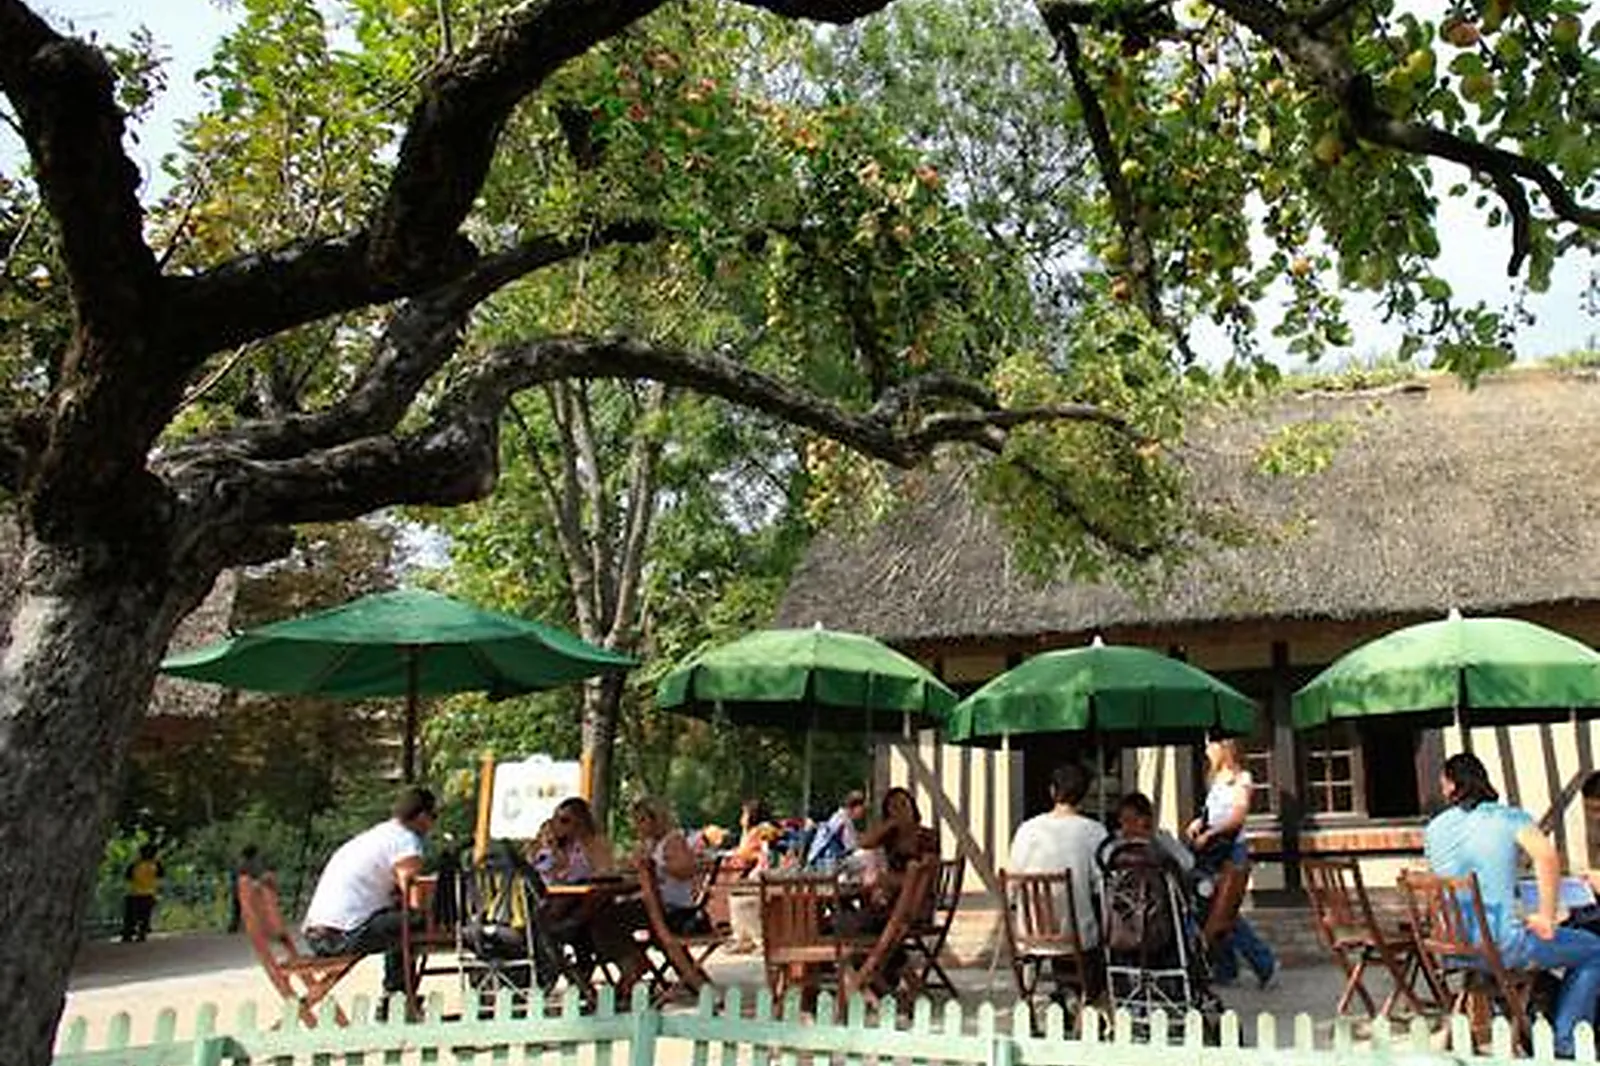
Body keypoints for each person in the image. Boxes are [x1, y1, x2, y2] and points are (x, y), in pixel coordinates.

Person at [1427, 752, 1600, 1058]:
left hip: (1454, 951)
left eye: (1443, 784)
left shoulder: (1434, 828)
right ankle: (1566, 1041)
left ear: (1453, 786)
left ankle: (1529, 1023)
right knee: (1594, 949)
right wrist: (1546, 916)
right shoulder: (1509, 818)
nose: (1442, 791)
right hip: (1502, 948)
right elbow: (1547, 857)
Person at [303, 787, 437, 1001]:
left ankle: (396, 993)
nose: (433, 824)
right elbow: (413, 893)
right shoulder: (406, 841)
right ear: (421, 816)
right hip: (340, 936)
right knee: (413, 920)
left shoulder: (380, 834)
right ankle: (397, 995)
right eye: (433, 816)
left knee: (398, 920)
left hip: (318, 933)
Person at [1185, 738, 1277, 988]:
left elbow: (1238, 816)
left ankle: (1264, 962)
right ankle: (1226, 968)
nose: (1206, 750)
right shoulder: (1214, 779)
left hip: (1230, 851)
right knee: (1210, 908)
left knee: (1226, 911)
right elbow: (1211, 813)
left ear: (1224, 749)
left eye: (1210, 745)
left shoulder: (1241, 779)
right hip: (1213, 853)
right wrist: (1198, 823)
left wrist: (1211, 834)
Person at [1008, 763, 1108, 957]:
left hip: (1030, 935)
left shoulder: (1027, 830)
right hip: (1078, 937)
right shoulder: (1094, 831)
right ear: (1084, 794)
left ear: (1052, 791)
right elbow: (1101, 887)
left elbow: (1011, 884)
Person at [858, 786, 939, 911]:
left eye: (904, 804)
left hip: (916, 900)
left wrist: (890, 879)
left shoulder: (927, 836)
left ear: (913, 807)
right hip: (892, 897)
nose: (901, 810)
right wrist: (889, 825)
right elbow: (864, 843)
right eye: (894, 807)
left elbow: (925, 873)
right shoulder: (891, 836)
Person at [1114, 791, 1194, 876]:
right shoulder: (1114, 842)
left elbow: (1187, 862)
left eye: (1135, 819)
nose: (1130, 825)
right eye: (1125, 820)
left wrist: (1154, 840)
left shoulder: (1162, 839)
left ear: (1147, 819)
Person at [807, 790, 866, 868]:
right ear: (855, 807)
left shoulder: (838, 817)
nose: (863, 812)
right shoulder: (843, 821)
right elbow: (850, 846)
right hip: (827, 860)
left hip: (818, 858)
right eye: (862, 808)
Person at [227, 844, 275, 934]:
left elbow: (233, 876)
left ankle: (234, 926)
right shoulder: (251, 864)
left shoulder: (239, 863)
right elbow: (256, 875)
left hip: (237, 889)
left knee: (237, 909)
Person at [121, 843, 164, 943]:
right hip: (149, 894)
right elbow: (161, 876)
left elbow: (128, 876)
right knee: (145, 916)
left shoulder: (135, 865)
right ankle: (141, 934)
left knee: (130, 916)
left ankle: (128, 934)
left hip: (134, 893)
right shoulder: (155, 865)